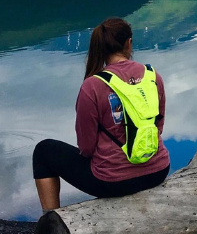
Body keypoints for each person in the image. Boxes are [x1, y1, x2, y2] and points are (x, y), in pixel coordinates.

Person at [32, 17, 170, 212]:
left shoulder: (93, 85)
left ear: (100, 47)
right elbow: (158, 127)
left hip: (113, 182)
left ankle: (50, 221)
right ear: (128, 43)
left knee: (43, 151)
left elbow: (86, 147)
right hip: (158, 170)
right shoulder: (152, 76)